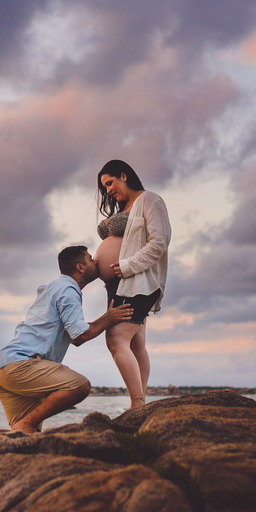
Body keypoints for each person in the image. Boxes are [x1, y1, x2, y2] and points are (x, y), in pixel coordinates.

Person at [0, 245, 132, 457]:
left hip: (3, 369)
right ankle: (25, 422)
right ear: (80, 267)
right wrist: (108, 319)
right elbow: (80, 336)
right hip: (22, 365)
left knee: (26, 439)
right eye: (91, 258)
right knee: (80, 386)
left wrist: (102, 321)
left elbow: (75, 334)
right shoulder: (68, 290)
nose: (96, 261)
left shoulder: (54, 288)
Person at [94, 159, 170, 409]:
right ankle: (142, 402)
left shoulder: (149, 200)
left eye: (110, 183)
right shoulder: (124, 206)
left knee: (116, 340)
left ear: (123, 175)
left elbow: (160, 242)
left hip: (137, 281)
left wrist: (127, 266)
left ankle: (137, 405)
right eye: (104, 187)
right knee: (136, 344)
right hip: (119, 284)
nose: (108, 190)